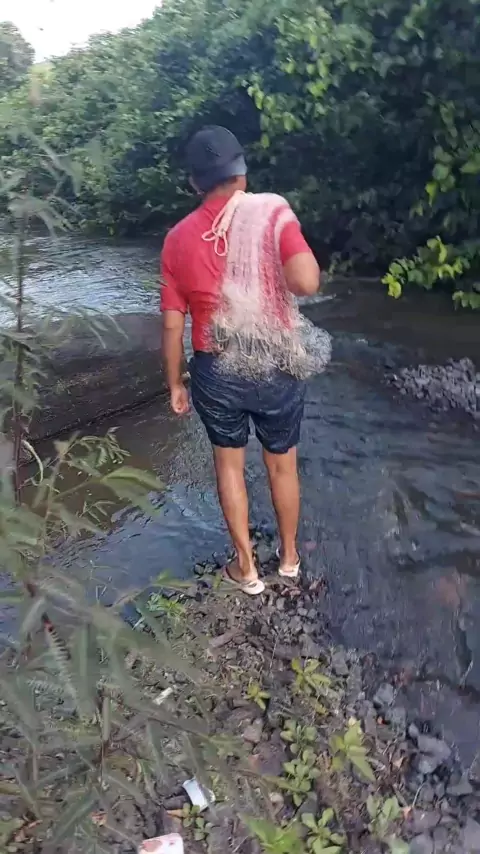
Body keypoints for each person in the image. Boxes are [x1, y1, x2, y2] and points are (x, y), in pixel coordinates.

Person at [161, 126, 330, 595]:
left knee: (229, 466)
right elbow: (307, 283)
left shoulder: (177, 239)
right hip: (276, 363)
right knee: (282, 465)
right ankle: (290, 559)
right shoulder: (270, 214)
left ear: (194, 182)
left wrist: (175, 382)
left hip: (215, 369)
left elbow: (173, 325)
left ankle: (246, 569)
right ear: (242, 170)